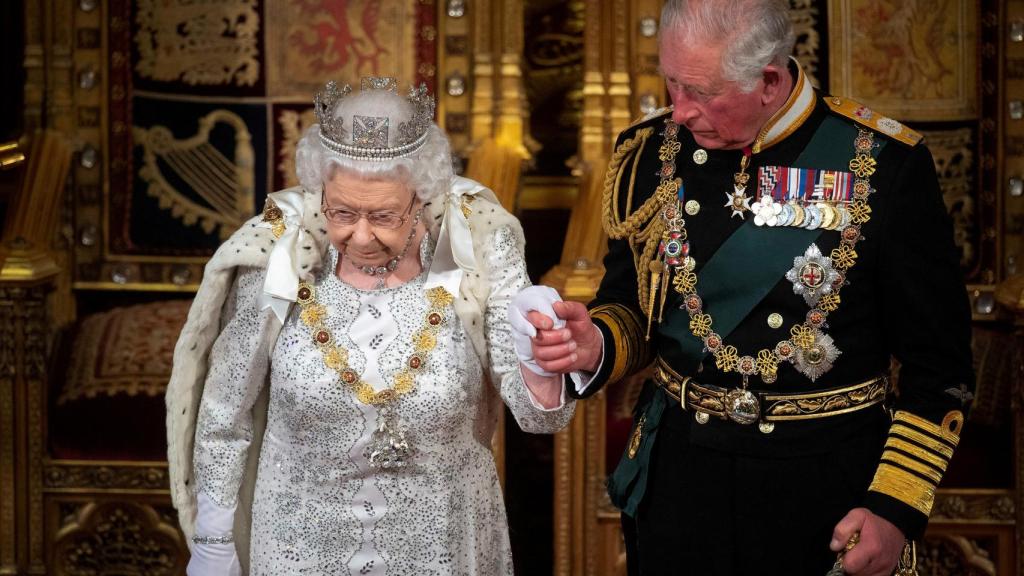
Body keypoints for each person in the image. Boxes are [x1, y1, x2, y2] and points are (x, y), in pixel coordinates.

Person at [507, 0, 974, 574]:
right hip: (680, 483)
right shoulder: (652, 152)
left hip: (826, 489)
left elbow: (940, 367)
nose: (680, 111)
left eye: (701, 92)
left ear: (769, 81)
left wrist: (894, 510)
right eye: (672, 83)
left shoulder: (882, 162)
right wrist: (596, 343)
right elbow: (631, 306)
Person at [166, 77, 574, 575]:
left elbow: (541, 420)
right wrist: (213, 544)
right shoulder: (278, 251)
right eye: (341, 212)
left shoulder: (480, 244)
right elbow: (224, 412)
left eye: (384, 215)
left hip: (442, 542)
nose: (360, 236)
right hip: (298, 543)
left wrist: (541, 361)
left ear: (421, 197)